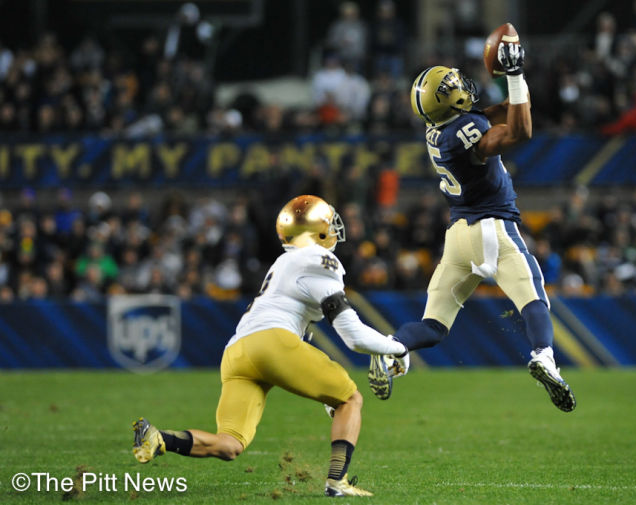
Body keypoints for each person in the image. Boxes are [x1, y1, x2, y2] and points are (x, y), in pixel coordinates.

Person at [131, 195, 408, 497]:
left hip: (237, 352)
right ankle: (336, 483)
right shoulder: (319, 260)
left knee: (229, 444)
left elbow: (303, 342)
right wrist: (396, 347)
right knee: (351, 399)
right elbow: (352, 335)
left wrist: (327, 396)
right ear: (317, 230)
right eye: (329, 223)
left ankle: (159, 438)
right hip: (273, 343)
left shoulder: (283, 262)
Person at [371, 36, 576, 412]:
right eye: (451, 86)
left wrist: (518, 80)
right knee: (533, 296)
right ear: (447, 101)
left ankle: (390, 350)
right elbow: (519, 131)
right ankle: (545, 356)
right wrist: (513, 73)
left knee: (433, 325)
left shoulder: (438, 128)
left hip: (457, 237)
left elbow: (506, 111)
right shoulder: (466, 133)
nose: (461, 86)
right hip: (491, 227)